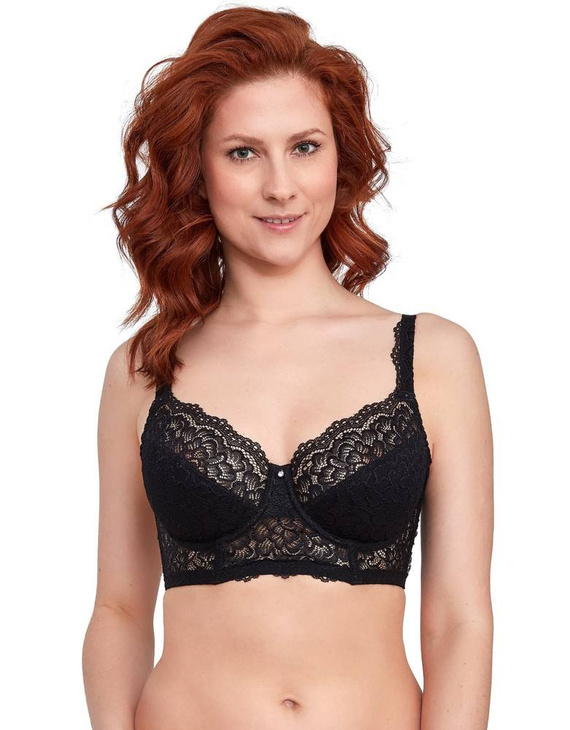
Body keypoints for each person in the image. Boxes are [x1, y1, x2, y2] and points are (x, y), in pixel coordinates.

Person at [82, 7, 494, 730]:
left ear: (340, 157)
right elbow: (118, 606)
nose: (281, 187)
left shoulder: (433, 356)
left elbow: (459, 617)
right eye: (244, 153)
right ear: (197, 171)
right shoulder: (144, 369)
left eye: (305, 147)